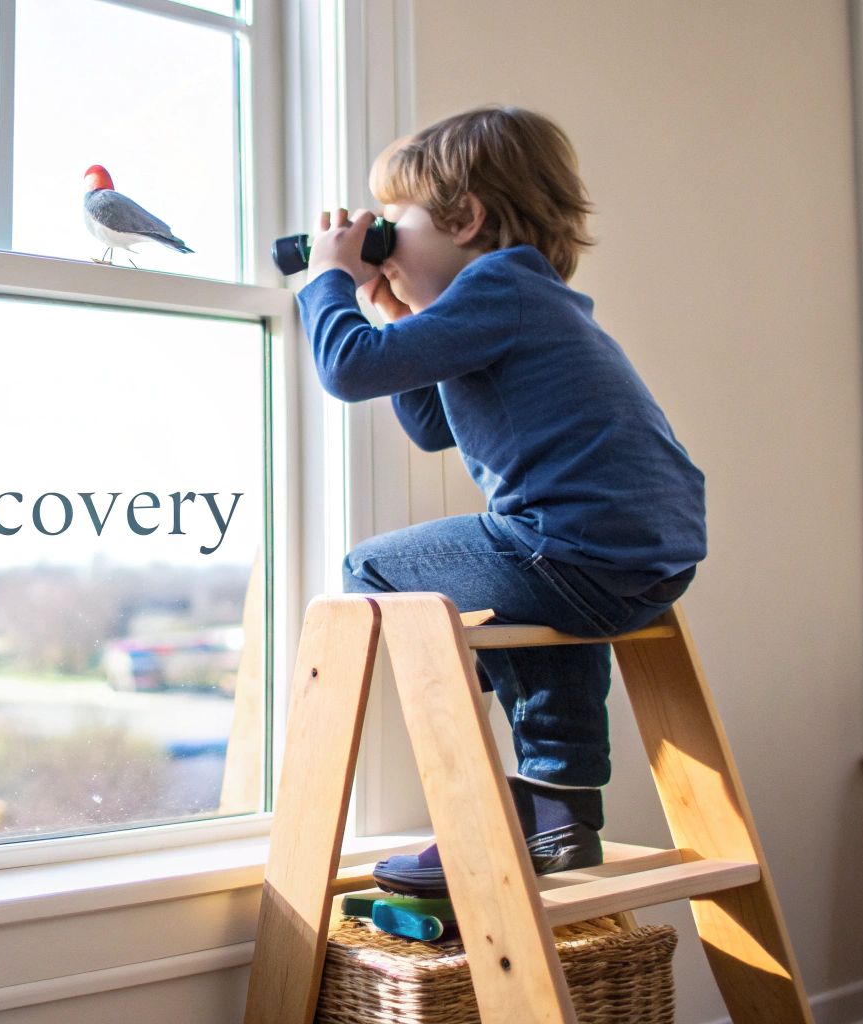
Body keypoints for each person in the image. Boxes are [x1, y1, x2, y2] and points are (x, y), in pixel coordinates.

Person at [296, 105, 706, 896]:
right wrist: (400, 312)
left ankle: (476, 814)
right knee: (535, 608)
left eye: (392, 223)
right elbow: (428, 426)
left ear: (467, 218)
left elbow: (348, 370)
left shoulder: (495, 286)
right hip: (642, 559)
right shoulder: (523, 296)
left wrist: (330, 279)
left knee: (373, 571)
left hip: (570, 543)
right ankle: (559, 810)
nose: (381, 238)